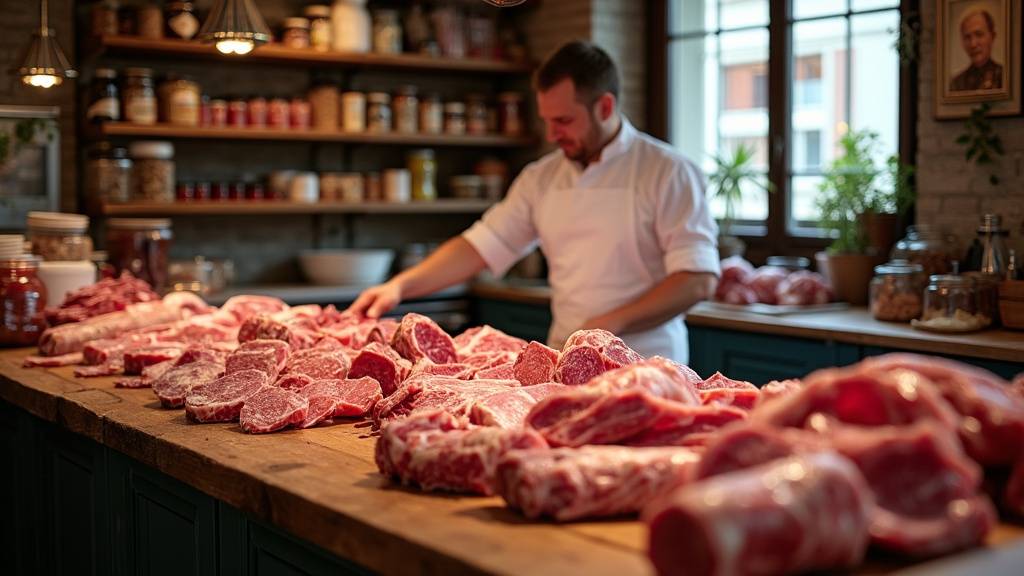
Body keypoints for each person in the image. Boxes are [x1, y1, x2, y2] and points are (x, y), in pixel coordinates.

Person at [347, 41, 719, 362]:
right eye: (547, 120)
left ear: (605, 107)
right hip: (565, 357)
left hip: (649, 363)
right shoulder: (541, 177)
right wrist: (400, 286)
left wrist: (611, 323)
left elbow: (697, 279)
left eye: (564, 120)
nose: (551, 134)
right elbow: (480, 246)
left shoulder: (667, 171)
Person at [950, 8, 1003, 92]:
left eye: (979, 34)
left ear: (992, 36)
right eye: (967, 37)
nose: (973, 44)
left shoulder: (1004, 76)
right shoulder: (956, 83)